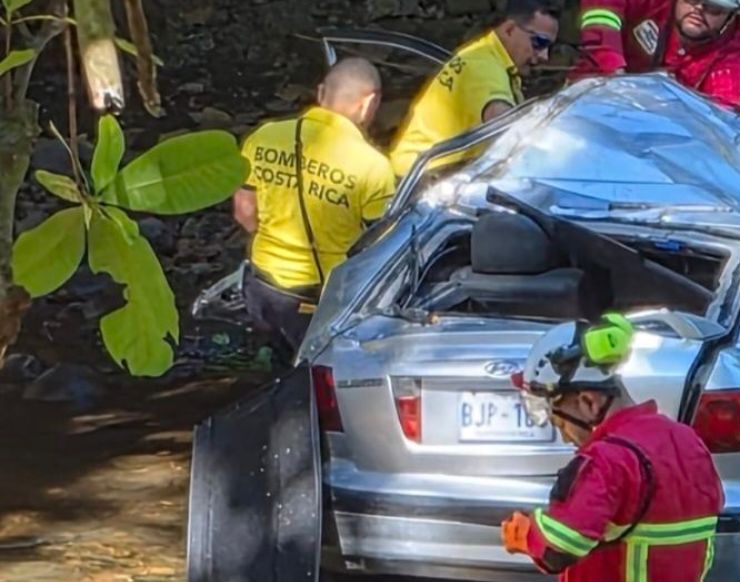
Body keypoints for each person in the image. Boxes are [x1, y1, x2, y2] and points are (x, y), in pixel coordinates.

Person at [501, 313, 725, 582]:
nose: (562, 431)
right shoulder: (685, 443)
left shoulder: (607, 461)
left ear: (587, 400)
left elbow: (559, 546)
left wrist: (525, 532)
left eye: (556, 412)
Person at [233, 57, 396, 355]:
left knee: (273, 372)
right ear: (369, 103)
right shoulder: (372, 166)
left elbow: (244, 210)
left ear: (321, 93)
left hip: (262, 287)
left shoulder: (264, 138)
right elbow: (382, 246)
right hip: (323, 299)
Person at [388, 0, 562, 178]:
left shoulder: (488, 55)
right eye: (539, 43)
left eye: (550, 47)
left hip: (431, 168)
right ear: (509, 29)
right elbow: (507, 127)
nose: (544, 56)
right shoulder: (484, 67)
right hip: (423, 177)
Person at [569, 0, 740, 113]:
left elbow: (726, 109)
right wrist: (611, 65)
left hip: (663, 134)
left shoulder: (735, 44)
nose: (698, 9)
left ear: (732, 15)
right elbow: (602, 9)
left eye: (714, 7)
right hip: (589, 99)